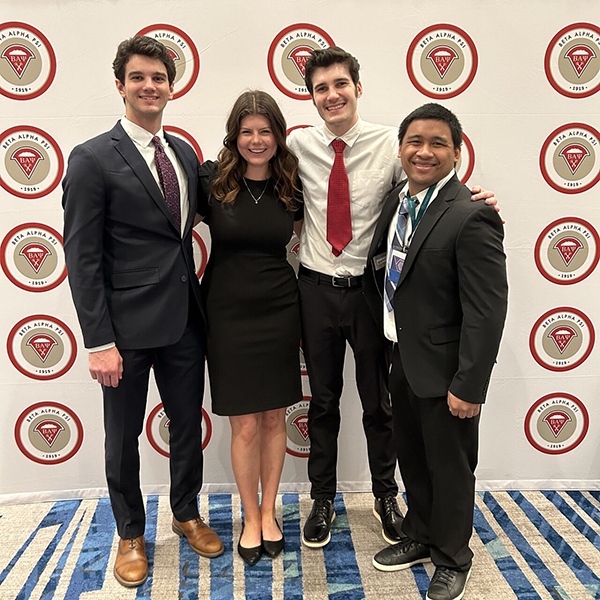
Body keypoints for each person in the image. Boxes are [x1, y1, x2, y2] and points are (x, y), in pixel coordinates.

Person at [287, 46, 498, 549]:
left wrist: (476, 199)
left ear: (357, 88)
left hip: (368, 293)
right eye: (321, 88)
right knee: (322, 403)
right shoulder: (297, 146)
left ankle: (386, 496)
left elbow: (432, 192)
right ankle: (323, 498)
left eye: (341, 84)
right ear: (311, 97)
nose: (332, 95)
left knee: (379, 403)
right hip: (314, 289)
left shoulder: (393, 144)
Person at [62, 36, 223, 588]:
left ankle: (185, 515)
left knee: (186, 428)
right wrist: (97, 340)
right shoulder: (91, 158)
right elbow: (81, 257)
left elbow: (230, 195)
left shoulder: (180, 151)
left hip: (184, 321)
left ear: (171, 86)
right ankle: (130, 533)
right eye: (138, 77)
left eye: (159, 77)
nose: (150, 86)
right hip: (123, 334)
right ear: (120, 85)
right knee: (122, 436)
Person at [364, 103, 508, 600]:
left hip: (447, 370)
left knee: (449, 465)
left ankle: (452, 556)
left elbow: (486, 312)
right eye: (414, 142)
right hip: (401, 357)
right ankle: (421, 534)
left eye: (437, 143)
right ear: (400, 148)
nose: (423, 152)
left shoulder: (472, 215)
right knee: (414, 457)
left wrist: (469, 385)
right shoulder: (396, 202)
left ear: (456, 151)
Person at [198, 90, 303, 565]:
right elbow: (157, 212)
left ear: (278, 136)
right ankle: (248, 514)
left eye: (265, 131)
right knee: (243, 422)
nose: (256, 140)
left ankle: (269, 511)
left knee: (273, 417)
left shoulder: (293, 182)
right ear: (234, 136)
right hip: (226, 313)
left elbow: (363, 199)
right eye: (247, 131)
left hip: (280, 310)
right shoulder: (211, 180)